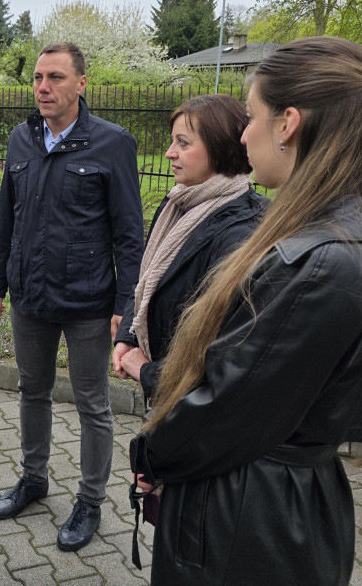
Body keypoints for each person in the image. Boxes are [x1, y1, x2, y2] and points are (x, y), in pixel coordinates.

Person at [129, 37, 362, 585]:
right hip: (262, 501)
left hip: (246, 518)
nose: (242, 133)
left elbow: (223, 409)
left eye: (251, 116)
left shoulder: (322, 261)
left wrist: (152, 455)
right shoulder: (340, 233)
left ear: (288, 124)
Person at [0, 41, 145, 551]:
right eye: (37, 78)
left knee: (91, 403)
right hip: (30, 296)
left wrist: (127, 306)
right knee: (31, 390)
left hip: (88, 302)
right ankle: (34, 480)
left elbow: (128, 233)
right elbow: (5, 217)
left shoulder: (111, 143)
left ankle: (90, 500)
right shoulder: (21, 139)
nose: (43, 87)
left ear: (81, 85)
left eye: (55, 77)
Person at [112, 94, 266, 402]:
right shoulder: (177, 204)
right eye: (173, 142)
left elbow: (221, 350)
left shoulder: (242, 233)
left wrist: (147, 373)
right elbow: (148, 278)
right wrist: (128, 337)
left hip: (189, 407)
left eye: (183, 143)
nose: (169, 153)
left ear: (220, 148)